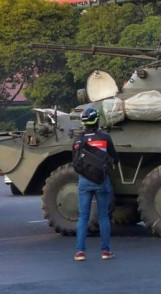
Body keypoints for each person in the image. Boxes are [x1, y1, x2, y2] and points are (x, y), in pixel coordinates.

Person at [73, 107, 119, 261]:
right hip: (101, 181)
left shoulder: (78, 140)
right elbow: (114, 157)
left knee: (83, 217)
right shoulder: (105, 137)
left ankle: (80, 252)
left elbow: (75, 161)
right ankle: (106, 251)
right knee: (103, 216)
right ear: (97, 120)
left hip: (84, 181)